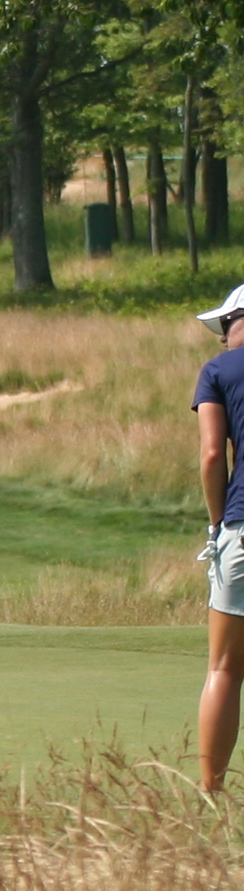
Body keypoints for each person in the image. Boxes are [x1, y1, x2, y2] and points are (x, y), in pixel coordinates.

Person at [192, 283, 244, 791]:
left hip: (242, 525)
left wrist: (216, 525)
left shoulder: (218, 371)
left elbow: (212, 456)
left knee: (225, 668)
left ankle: (211, 797)